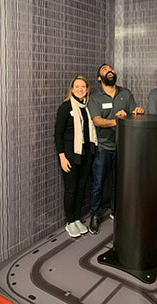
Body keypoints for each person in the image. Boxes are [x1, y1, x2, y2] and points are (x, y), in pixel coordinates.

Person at [87, 64, 145, 234]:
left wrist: (138, 112)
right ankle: (95, 216)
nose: (109, 71)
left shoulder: (125, 93)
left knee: (118, 183)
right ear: (99, 78)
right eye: (105, 70)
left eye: (111, 69)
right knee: (98, 184)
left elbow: (133, 114)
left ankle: (115, 210)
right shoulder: (95, 97)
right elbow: (97, 120)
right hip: (103, 148)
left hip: (123, 146)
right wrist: (116, 120)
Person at [55, 76, 97, 238]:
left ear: (87, 89)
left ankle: (77, 218)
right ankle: (70, 221)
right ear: (72, 89)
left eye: (83, 87)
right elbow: (58, 134)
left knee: (81, 188)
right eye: (77, 86)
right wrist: (62, 157)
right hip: (71, 156)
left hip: (85, 155)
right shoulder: (66, 107)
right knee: (71, 189)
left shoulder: (87, 107)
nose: (80, 89)